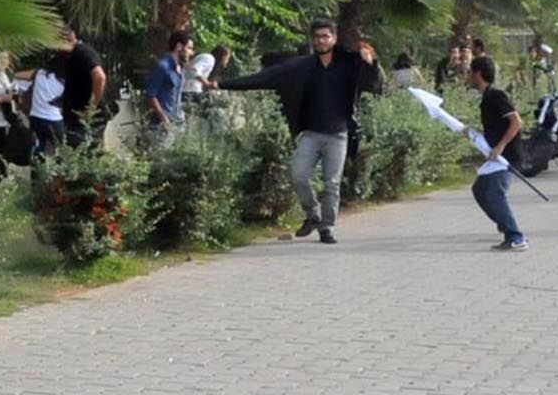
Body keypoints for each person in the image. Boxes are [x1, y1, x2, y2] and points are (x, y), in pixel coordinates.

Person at [214, 18, 382, 245]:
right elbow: (264, 78)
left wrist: (371, 63)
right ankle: (313, 215)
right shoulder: (301, 67)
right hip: (311, 134)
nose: (322, 40)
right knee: (299, 175)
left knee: (332, 183)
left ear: (334, 38)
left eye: (326, 36)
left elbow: (374, 85)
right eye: (318, 37)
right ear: (313, 41)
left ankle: (327, 227)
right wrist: (222, 84)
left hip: (338, 134)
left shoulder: (348, 65)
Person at [466, 56, 527, 252]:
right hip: (499, 156)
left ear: (477, 74)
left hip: (508, 156)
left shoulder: (497, 96)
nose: (467, 76)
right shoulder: (486, 98)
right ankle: (504, 223)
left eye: (469, 72)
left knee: (494, 192)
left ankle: (516, 237)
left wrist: (500, 146)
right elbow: (495, 128)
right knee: (480, 190)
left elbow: (516, 122)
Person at [57, 26, 107, 148]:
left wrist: (92, 106)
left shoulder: (83, 52)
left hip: (86, 117)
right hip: (74, 115)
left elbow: (99, 76)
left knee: (82, 152)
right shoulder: (68, 56)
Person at [143, 30, 194, 142]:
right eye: (189, 48)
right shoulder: (162, 66)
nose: (192, 53)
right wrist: (163, 118)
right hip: (161, 127)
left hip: (177, 123)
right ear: (179, 46)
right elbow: (151, 95)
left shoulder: (180, 68)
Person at [27, 52, 68, 158]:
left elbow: (18, 75)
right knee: (63, 149)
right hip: (53, 120)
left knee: (39, 147)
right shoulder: (64, 83)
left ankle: (36, 172)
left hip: (35, 117)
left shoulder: (39, 73)